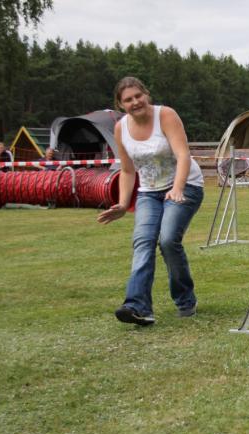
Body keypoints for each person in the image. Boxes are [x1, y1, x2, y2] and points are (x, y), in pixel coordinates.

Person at [97, 76, 204, 326]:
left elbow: (183, 154)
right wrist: (123, 204)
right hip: (149, 192)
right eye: (128, 100)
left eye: (138, 96)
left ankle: (185, 300)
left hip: (186, 184)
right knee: (143, 242)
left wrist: (177, 189)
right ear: (120, 104)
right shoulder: (121, 128)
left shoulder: (165, 115)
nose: (135, 102)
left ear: (146, 95)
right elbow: (127, 170)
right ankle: (137, 306)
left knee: (167, 240)